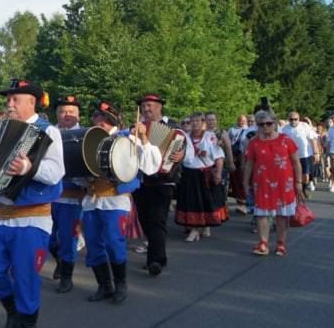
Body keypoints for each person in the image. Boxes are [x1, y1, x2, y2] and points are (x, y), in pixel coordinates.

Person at [0, 78, 64, 328]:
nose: (9, 104)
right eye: (8, 99)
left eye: (15, 99)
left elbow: (56, 172)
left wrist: (29, 168)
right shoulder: (0, 130)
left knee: (25, 274)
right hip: (0, 214)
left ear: (31, 102)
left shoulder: (49, 132)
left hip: (32, 216)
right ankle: (12, 309)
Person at [82, 101, 160, 304]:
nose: (96, 120)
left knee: (112, 240)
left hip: (115, 199)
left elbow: (150, 165)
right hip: (91, 199)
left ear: (109, 120)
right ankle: (104, 286)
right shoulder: (89, 139)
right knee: (92, 243)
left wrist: (142, 137)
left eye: (99, 117)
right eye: (95, 117)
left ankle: (121, 284)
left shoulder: (127, 138)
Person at [133, 93, 185, 277]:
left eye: (150, 105)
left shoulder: (173, 127)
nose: (147, 109)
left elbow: (181, 149)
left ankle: (157, 260)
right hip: (141, 181)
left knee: (157, 219)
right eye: (144, 106)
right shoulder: (136, 127)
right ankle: (153, 255)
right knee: (145, 219)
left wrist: (180, 155)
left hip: (164, 180)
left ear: (160, 106)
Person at [242, 110, 303, 256]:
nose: (265, 127)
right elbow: (249, 164)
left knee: (282, 215)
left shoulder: (286, 139)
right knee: (262, 213)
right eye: (261, 124)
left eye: (268, 123)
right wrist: (245, 182)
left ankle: (281, 243)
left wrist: (299, 182)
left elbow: (296, 162)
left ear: (275, 123)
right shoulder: (254, 142)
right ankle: (263, 243)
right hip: (262, 183)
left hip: (284, 183)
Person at [49, 95, 85, 293]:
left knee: (68, 238)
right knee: (47, 238)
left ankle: (66, 276)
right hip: (46, 196)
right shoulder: (48, 133)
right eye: (63, 111)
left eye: (71, 111)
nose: (67, 115)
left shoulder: (85, 135)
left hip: (71, 197)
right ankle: (60, 261)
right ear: (57, 113)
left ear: (78, 114)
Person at [175, 112, 228, 242]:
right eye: (192, 121)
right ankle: (194, 230)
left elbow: (219, 156)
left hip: (206, 173)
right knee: (192, 202)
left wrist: (219, 173)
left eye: (198, 121)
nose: (194, 123)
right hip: (189, 174)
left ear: (203, 122)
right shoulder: (184, 138)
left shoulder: (210, 137)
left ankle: (205, 225)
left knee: (206, 201)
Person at [281, 111, 320, 198]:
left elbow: (313, 139)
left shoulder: (304, 126)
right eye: (291, 119)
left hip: (305, 155)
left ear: (299, 119)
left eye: (296, 119)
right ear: (288, 120)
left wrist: (316, 153)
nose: (293, 121)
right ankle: (298, 192)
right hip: (292, 156)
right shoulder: (284, 129)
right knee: (294, 175)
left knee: (307, 176)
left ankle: (303, 188)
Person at [228, 114, 250, 213]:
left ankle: (247, 203)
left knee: (245, 179)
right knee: (235, 180)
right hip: (234, 155)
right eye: (240, 120)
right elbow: (228, 143)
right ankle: (240, 204)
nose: (242, 122)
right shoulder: (232, 130)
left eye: (244, 120)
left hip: (246, 156)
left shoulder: (249, 130)